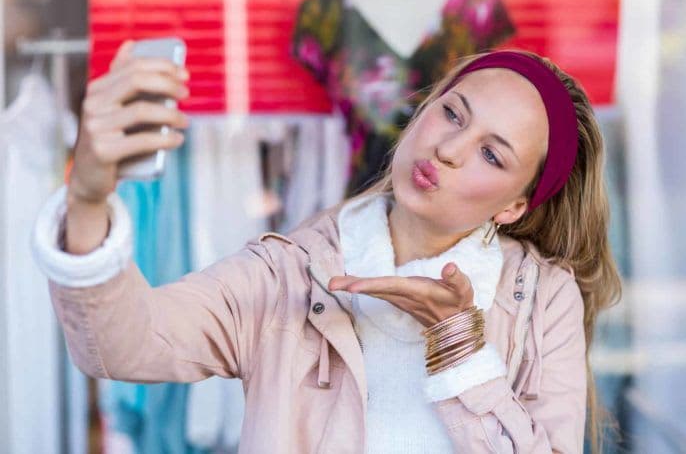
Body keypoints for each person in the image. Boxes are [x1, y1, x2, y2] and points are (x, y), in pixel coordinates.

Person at [32, 41, 621, 453]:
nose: (447, 149)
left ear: (514, 206)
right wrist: (86, 200)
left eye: (492, 154)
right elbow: (121, 345)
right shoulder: (287, 273)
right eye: (452, 113)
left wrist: (459, 348)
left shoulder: (544, 298)